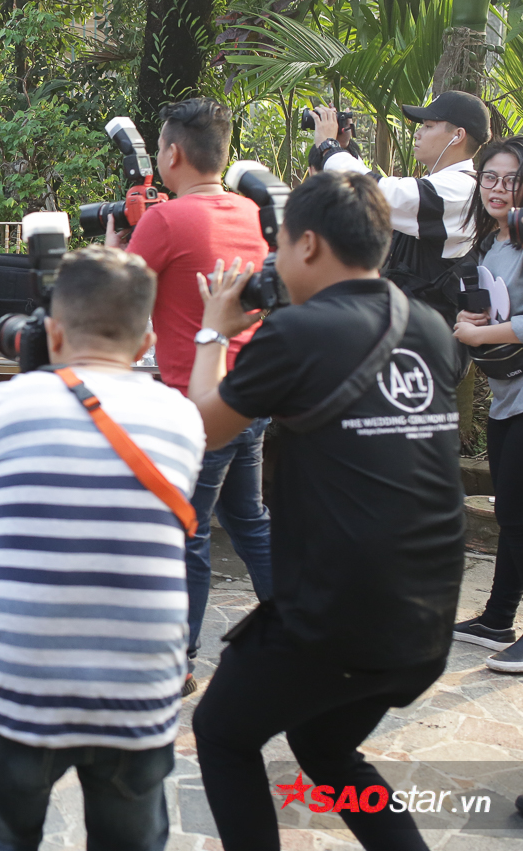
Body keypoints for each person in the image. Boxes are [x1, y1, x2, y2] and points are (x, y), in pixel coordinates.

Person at [188, 171, 466, 850]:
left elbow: (203, 428)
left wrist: (213, 333)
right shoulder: (429, 326)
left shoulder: (299, 331)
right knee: (325, 747)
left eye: (279, 245)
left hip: (338, 621)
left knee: (220, 734)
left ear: (308, 244)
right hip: (427, 621)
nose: (275, 260)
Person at [0, 246, 204, 851]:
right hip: (138, 697)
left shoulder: (2, 407)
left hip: (18, 692)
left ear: (51, 333)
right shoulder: (182, 417)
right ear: (146, 342)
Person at [104, 97, 272, 697]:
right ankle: (303, 631)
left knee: (186, 534)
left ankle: (178, 661)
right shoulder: (254, 212)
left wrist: (114, 248)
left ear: (172, 153)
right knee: (249, 520)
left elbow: (116, 299)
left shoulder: (168, 221)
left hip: (196, 407)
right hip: (251, 396)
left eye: (159, 147)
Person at [315, 91, 490, 322]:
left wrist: (329, 147)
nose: (418, 133)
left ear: (457, 136)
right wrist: (345, 148)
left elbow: (378, 194)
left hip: (430, 330)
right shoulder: (445, 184)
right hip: (417, 322)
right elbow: (380, 189)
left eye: (428, 126)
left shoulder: (460, 188)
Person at [449, 135, 523, 673]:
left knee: (518, 514)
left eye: (512, 179)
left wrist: (482, 335)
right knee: (509, 513)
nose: (498, 188)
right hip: (506, 396)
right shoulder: (495, 241)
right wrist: (472, 320)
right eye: (490, 178)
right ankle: (497, 618)